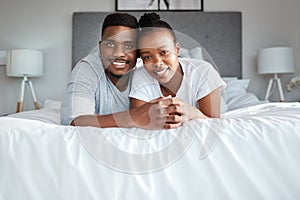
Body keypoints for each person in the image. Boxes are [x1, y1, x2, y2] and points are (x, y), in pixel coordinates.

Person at [61, 12, 182, 129]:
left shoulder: (149, 69)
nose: (118, 53)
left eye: (128, 46)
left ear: (138, 52)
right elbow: (73, 121)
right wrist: (133, 117)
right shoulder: (87, 68)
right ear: (100, 47)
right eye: (110, 44)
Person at [129, 13, 225, 121]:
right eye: (147, 57)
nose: (157, 63)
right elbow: (139, 119)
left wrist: (192, 113)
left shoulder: (204, 71)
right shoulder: (140, 75)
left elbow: (214, 121)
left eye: (164, 52)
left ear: (177, 50)